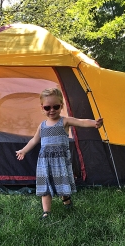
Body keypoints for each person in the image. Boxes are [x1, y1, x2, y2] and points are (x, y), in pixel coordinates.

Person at [16, 88, 103, 220]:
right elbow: (34, 140)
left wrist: (94, 124)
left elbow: (81, 121)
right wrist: (24, 150)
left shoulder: (64, 122)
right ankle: (46, 212)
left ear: (61, 106)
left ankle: (66, 199)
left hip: (60, 161)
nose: (52, 110)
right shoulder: (42, 125)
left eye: (56, 106)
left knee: (62, 183)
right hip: (45, 162)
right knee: (45, 184)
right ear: (42, 108)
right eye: (47, 107)